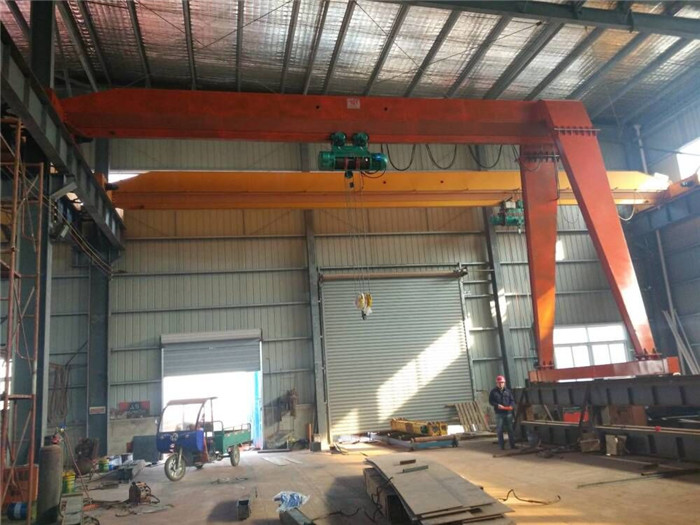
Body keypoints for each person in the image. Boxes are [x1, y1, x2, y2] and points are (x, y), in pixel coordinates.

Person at [489, 375, 516, 450]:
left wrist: (511, 406)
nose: (500, 384)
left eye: (502, 382)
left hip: (508, 413)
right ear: (496, 383)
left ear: (504, 383)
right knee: (500, 430)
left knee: (510, 429)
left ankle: (512, 445)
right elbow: (491, 401)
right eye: (499, 383)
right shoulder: (493, 392)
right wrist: (497, 405)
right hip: (499, 413)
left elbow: (512, 400)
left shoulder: (508, 391)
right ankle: (501, 446)